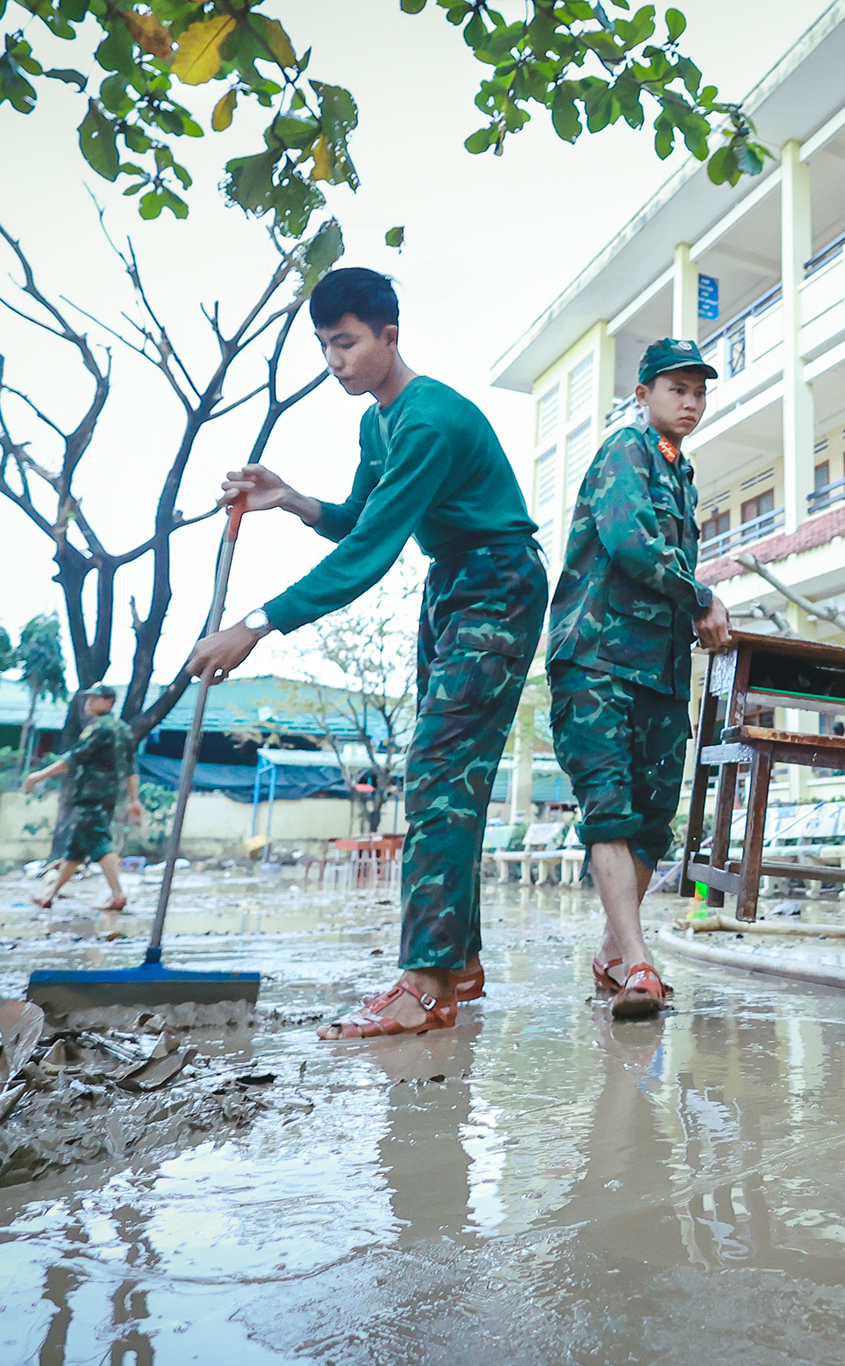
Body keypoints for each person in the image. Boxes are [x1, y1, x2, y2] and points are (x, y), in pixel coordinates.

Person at [185, 267, 547, 1040]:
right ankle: (460, 962)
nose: (334, 360)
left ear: (389, 336)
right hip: (452, 581)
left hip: (499, 580)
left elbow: (370, 557)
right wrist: (289, 499)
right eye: (324, 346)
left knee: (440, 773)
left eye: (345, 342)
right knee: (450, 775)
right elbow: (358, 521)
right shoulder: (376, 425)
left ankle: (424, 984)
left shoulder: (428, 421)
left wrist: (255, 623)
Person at [546, 338, 733, 1018]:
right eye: (676, 388)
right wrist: (702, 595)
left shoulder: (681, 472)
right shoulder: (625, 450)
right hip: (595, 658)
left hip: (656, 669)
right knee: (611, 808)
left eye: (699, 390)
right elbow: (630, 544)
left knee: (653, 822)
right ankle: (640, 963)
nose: (689, 400)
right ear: (643, 395)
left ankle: (614, 956)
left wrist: (694, 609)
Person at [22, 683, 142, 910]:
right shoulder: (124, 729)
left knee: (99, 844)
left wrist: (39, 775)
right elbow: (130, 768)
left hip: (91, 794)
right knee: (76, 848)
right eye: (88, 699)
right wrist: (133, 798)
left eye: (95, 699)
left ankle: (117, 894)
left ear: (109, 702)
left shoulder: (99, 729)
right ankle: (49, 894)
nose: (89, 703)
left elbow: (75, 758)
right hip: (108, 796)